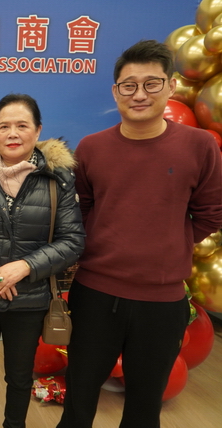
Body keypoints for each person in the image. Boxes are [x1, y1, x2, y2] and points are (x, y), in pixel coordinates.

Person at [57, 40, 222, 428]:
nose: (139, 94)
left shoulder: (198, 146)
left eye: (151, 83)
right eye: (129, 86)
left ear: (170, 87)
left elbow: (211, 214)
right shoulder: (92, 148)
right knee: (78, 399)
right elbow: (82, 210)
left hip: (161, 302)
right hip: (95, 295)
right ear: (116, 91)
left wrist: (169, 243)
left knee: (145, 407)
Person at [0, 94, 84, 428]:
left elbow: (73, 241)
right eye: (4, 126)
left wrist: (25, 267)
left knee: (20, 376)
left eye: (22, 125)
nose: (12, 133)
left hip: (29, 298)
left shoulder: (58, 179)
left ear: (38, 131)